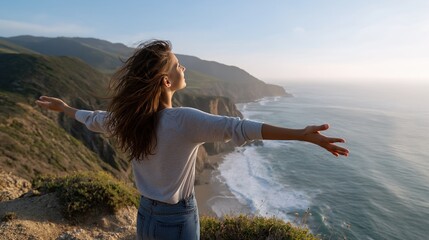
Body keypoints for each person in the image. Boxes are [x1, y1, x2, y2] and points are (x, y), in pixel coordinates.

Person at [36, 40, 349, 240]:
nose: (183, 67)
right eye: (177, 64)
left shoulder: (130, 120)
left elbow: (95, 119)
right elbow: (240, 128)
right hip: (175, 221)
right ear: (167, 81)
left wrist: (66, 109)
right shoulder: (182, 119)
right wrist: (301, 135)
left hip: (145, 217)